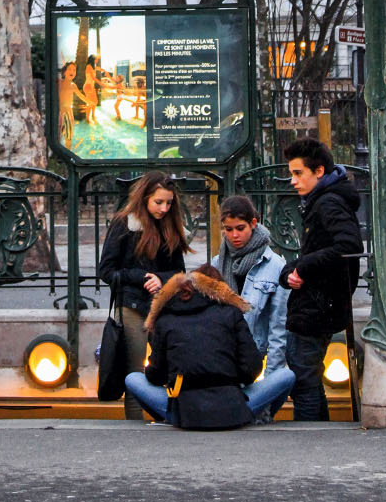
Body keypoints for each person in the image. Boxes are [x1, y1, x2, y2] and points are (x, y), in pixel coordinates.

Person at [123, 264, 296, 429]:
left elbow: (155, 376)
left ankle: (168, 418)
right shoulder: (232, 313)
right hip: (233, 409)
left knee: (133, 379)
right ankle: (256, 419)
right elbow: (252, 368)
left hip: (184, 412)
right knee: (286, 375)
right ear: (219, 288)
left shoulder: (166, 318)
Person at [278, 138, 363, 422]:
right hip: (320, 301)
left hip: (319, 304)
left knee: (303, 378)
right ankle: (316, 433)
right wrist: (292, 270)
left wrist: (304, 267)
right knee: (307, 378)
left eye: (298, 173)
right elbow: (317, 251)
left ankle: (311, 435)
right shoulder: (323, 201)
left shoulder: (328, 203)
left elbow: (350, 246)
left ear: (319, 172)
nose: (293, 181)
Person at [98, 171, 189, 420]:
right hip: (131, 306)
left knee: (171, 365)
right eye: (158, 202)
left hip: (162, 306)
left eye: (168, 203)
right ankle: (135, 426)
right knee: (135, 370)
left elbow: (179, 271)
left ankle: (173, 417)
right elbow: (106, 270)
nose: (164, 208)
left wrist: (161, 278)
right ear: (145, 198)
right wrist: (141, 277)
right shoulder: (124, 223)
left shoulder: (169, 224)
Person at [212, 194, 290, 422]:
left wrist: (270, 384)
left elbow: (279, 326)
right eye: (228, 229)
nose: (234, 235)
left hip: (256, 354)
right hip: (223, 355)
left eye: (240, 228)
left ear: (253, 224)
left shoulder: (274, 265)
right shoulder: (218, 263)